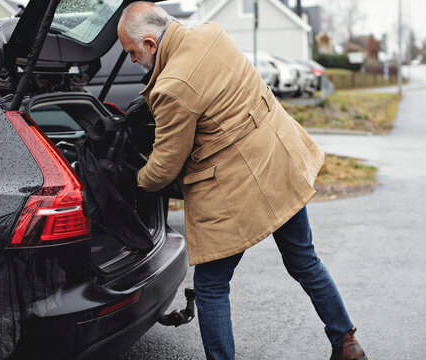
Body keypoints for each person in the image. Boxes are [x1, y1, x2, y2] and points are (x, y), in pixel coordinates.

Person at [117, 3, 367, 360]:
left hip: (234, 191)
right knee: (304, 261)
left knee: (211, 286)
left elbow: (164, 168)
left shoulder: (172, 88)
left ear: (151, 44)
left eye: (131, 52)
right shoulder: (212, 33)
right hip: (279, 162)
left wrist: (133, 181)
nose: (130, 60)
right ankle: (347, 342)